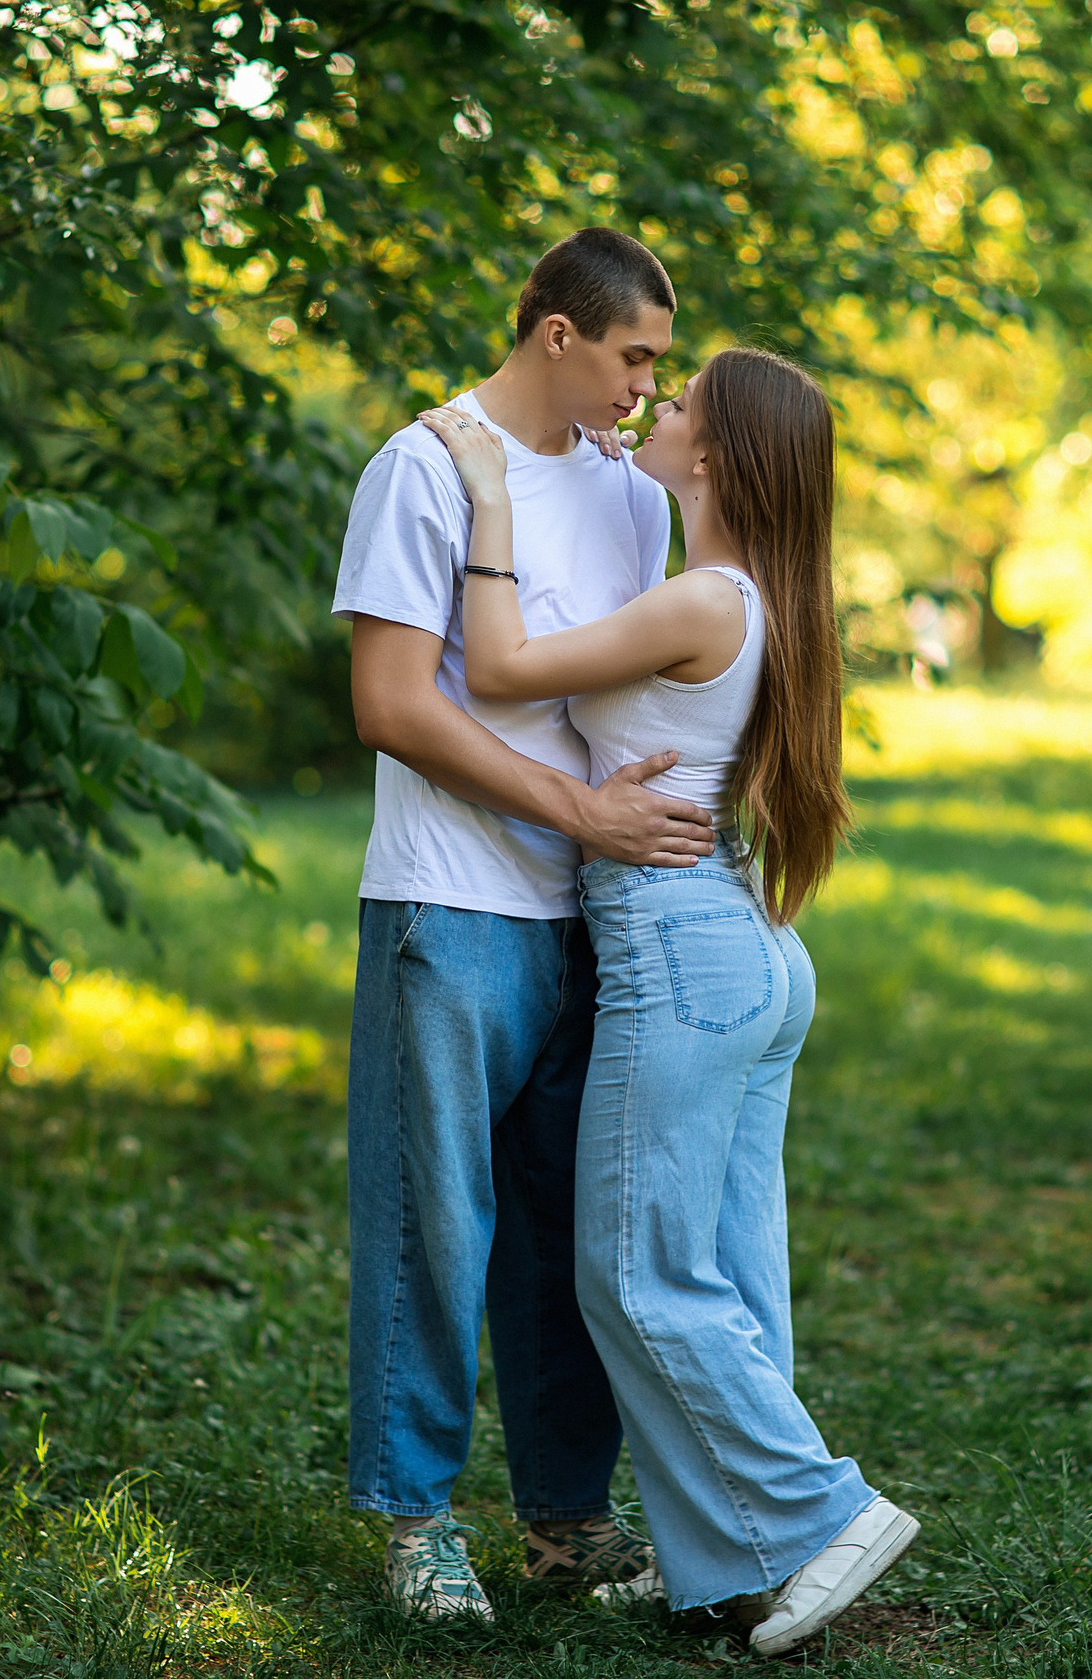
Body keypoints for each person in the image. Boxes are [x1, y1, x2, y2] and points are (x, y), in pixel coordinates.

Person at [417, 346, 919, 1657]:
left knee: (636, 1272)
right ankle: (731, 1560)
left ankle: (821, 1515)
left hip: (686, 956)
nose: (659, 406)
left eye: (682, 400)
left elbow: (502, 665)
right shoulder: (750, 599)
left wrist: (487, 489)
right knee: (727, 1279)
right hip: (740, 947)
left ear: (720, 453)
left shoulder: (703, 599)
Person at [331, 228, 720, 1620]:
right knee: (432, 1220)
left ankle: (568, 1521)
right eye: (634, 359)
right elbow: (392, 704)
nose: (643, 390)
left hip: (596, 920)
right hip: (451, 904)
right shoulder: (424, 467)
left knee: (574, 1231)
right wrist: (581, 812)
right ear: (558, 334)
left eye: (656, 369)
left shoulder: (628, 498)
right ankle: (415, 1519)